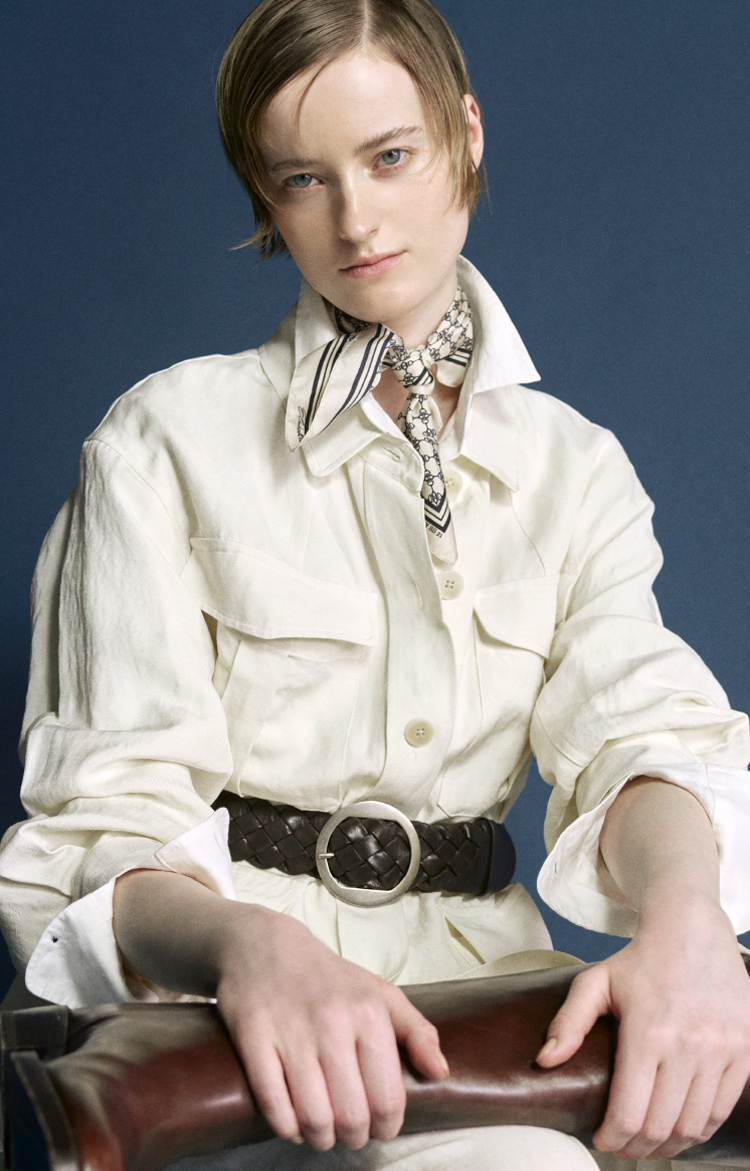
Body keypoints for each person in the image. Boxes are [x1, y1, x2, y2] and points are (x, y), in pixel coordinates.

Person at [1, 1, 749, 1168]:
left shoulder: (577, 467)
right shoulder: (162, 442)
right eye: (304, 180)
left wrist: (689, 920)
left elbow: (637, 736)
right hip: (236, 1027)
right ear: (267, 199)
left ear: (466, 134)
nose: (356, 220)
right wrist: (249, 950)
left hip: (495, 1014)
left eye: (390, 156)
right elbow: (107, 825)